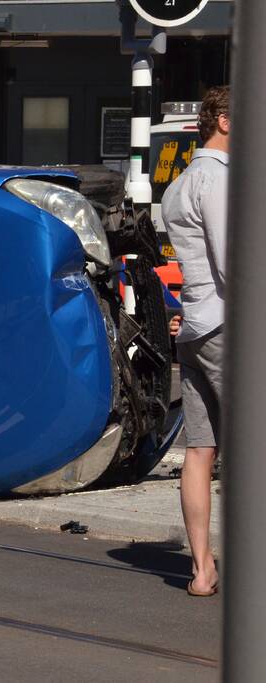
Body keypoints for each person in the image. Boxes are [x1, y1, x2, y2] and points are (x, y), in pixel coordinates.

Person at [161, 85, 229, 598]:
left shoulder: (179, 185)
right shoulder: (220, 180)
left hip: (195, 328)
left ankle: (202, 568)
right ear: (224, 121)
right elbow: (234, 264)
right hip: (227, 327)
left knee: (200, 450)